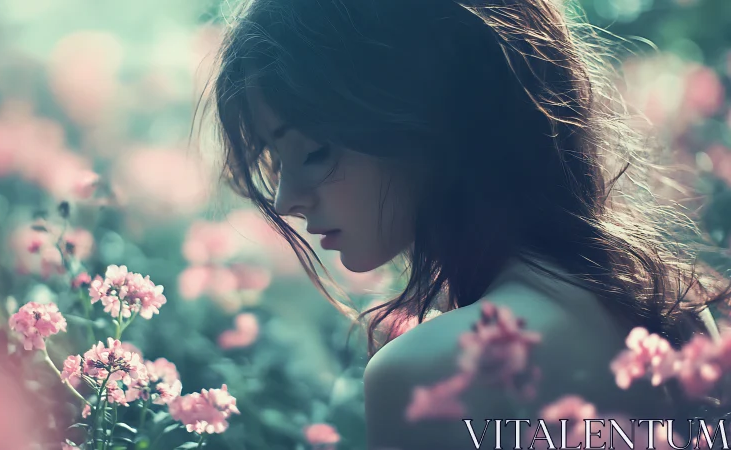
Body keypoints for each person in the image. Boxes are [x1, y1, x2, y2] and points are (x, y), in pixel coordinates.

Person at [199, 0, 731, 448]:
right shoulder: (673, 321)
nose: (285, 198)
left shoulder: (427, 371)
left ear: (431, 120)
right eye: (275, 160)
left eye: (312, 151)